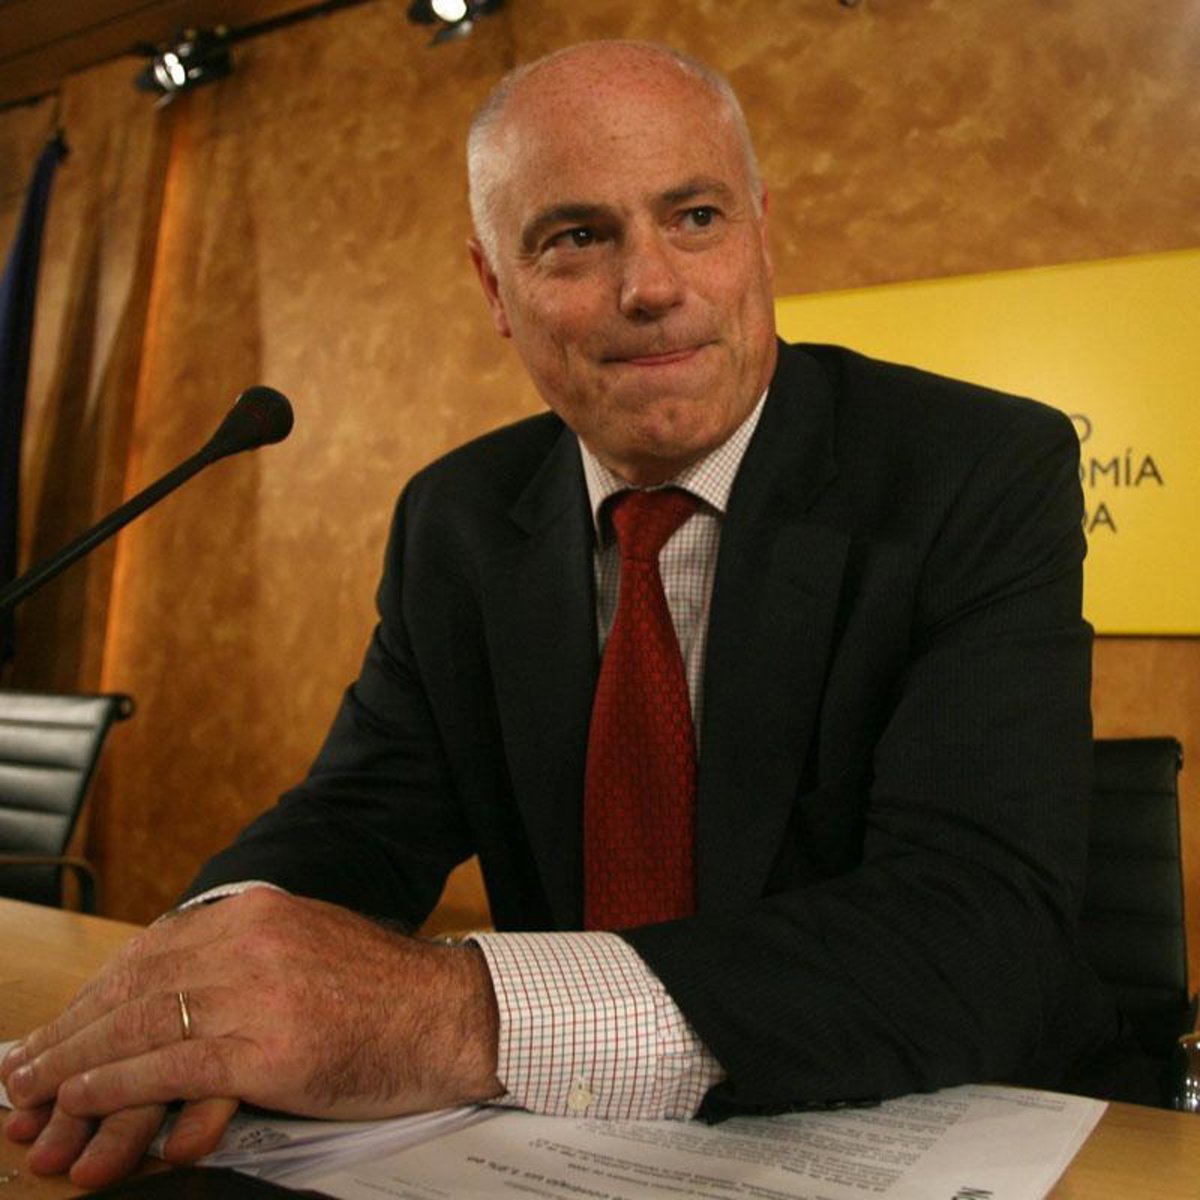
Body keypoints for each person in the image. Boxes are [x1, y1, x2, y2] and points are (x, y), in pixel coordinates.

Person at [1, 40, 1128, 1190]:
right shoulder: (459, 516)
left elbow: (978, 932)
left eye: (695, 217)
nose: (652, 286)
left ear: (761, 233)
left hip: (921, 1127)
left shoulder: (974, 470)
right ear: (496, 289)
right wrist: (203, 971)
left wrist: (458, 1015)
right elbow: (359, 820)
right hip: (566, 1151)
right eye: (577, 237)